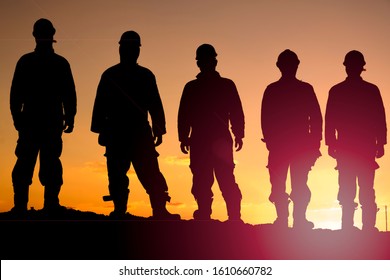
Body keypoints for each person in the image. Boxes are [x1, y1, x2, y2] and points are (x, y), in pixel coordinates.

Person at [91, 30, 180, 220]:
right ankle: (121, 210)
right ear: (121, 49)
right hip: (119, 132)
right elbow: (101, 104)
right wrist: (101, 129)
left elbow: (155, 103)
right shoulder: (112, 75)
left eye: (132, 47)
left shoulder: (142, 75)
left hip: (137, 133)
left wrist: (158, 128)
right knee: (117, 174)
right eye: (127, 47)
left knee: (149, 173)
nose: (130, 51)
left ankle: (158, 210)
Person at [10, 18, 77, 215]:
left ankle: (47, 204)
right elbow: (16, 93)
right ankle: (29, 205)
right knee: (29, 163)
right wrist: (17, 117)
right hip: (37, 122)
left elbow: (68, 93)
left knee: (46, 163)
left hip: (44, 122)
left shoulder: (48, 63)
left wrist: (70, 115)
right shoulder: (40, 62)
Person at [178, 44, 245, 222]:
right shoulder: (192, 88)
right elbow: (184, 114)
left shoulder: (225, 85)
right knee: (202, 177)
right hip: (201, 139)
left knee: (224, 177)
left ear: (213, 61)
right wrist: (183, 136)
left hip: (217, 138)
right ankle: (205, 214)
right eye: (203, 60)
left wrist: (239, 133)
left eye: (208, 59)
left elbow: (236, 111)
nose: (206, 63)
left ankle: (233, 217)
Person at [325, 50, 387, 232]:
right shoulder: (366, 90)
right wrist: (330, 142)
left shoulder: (341, 90)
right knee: (354, 187)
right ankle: (356, 226)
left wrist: (381, 142)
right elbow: (330, 119)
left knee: (357, 187)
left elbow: (379, 117)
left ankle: (358, 226)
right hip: (354, 147)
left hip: (356, 146)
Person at [261, 49, 322, 229]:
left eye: (292, 64)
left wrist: (315, 142)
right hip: (281, 146)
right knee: (278, 184)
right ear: (279, 66)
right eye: (286, 64)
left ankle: (299, 219)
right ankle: (283, 219)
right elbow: (266, 117)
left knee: (299, 184)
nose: (289, 68)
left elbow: (316, 117)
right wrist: (270, 140)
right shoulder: (272, 90)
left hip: (299, 146)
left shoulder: (305, 89)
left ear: (296, 65)